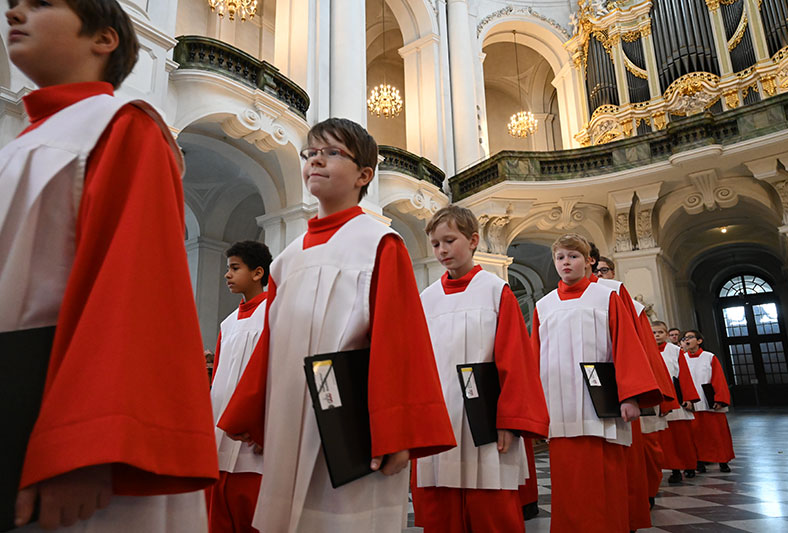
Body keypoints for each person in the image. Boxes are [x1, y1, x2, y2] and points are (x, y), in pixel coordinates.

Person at [1, 1, 218, 531]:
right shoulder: (21, 145)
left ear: (104, 38)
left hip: (67, 417)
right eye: (13, 5)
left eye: (41, 3)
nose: (14, 12)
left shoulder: (121, 126)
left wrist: (89, 442)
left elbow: (134, 294)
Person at [217, 118, 456, 533]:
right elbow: (269, 345)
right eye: (311, 153)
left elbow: (400, 342)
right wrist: (252, 416)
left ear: (364, 174)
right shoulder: (287, 260)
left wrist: (396, 432)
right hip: (289, 417)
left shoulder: (379, 243)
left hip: (352, 425)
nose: (316, 161)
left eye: (332, 153)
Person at [412, 206, 548, 533]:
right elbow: (417, 365)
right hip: (440, 421)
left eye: (449, 240)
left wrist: (509, 421)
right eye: (435, 244)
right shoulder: (426, 299)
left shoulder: (494, 290)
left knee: (492, 511)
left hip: (485, 422)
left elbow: (514, 359)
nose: (442, 250)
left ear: (473, 240)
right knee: (439, 510)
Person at [532, 234, 661, 533]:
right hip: (560, 409)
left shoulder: (607, 297)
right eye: (561, 257)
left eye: (573, 256)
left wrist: (630, 396)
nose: (567, 262)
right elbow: (534, 357)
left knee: (605, 480)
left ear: (589, 260)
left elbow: (625, 344)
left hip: (601, 407)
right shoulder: (544, 305)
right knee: (567, 483)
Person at [593, 255, 678, 523]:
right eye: (595, 271)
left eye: (603, 271)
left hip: (628, 387)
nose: (598, 275)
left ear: (613, 272)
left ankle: (638, 500)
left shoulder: (628, 302)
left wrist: (656, 395)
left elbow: (646, 352)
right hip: (593, 387)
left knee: (637, 450)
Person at [208, 241, 272, 533]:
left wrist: (265, 427)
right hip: (221, 431)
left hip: (255, 437)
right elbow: (218, 379)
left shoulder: (274, 313)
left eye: (235, 268)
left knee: (253, 514)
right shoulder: (227, 324)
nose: (227, 275)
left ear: (258, 272)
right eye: (228, 269)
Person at [651, 321, 700, 484]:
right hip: (658, 398)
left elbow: (684, 374)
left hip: (676, 396)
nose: (656, 335)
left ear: (666, 334)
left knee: (682, 438)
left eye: (660, 332)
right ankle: (675, 469)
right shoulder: (646, 348)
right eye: (653, 333)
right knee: (667, 440)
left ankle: (690, 466)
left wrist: (688, 398)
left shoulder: (675, 351)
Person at [681, 330, 735, 473]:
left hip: (708, 399)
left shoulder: (709, 357)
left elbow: (718, 378)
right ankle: (699, 462)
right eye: (685, 338)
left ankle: (723, 460)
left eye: (691, 337)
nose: (687, 340)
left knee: (717, 433)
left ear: (699, 341)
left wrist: (720, 399)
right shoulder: (682, 358)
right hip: (692, 402)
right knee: (695, 435)